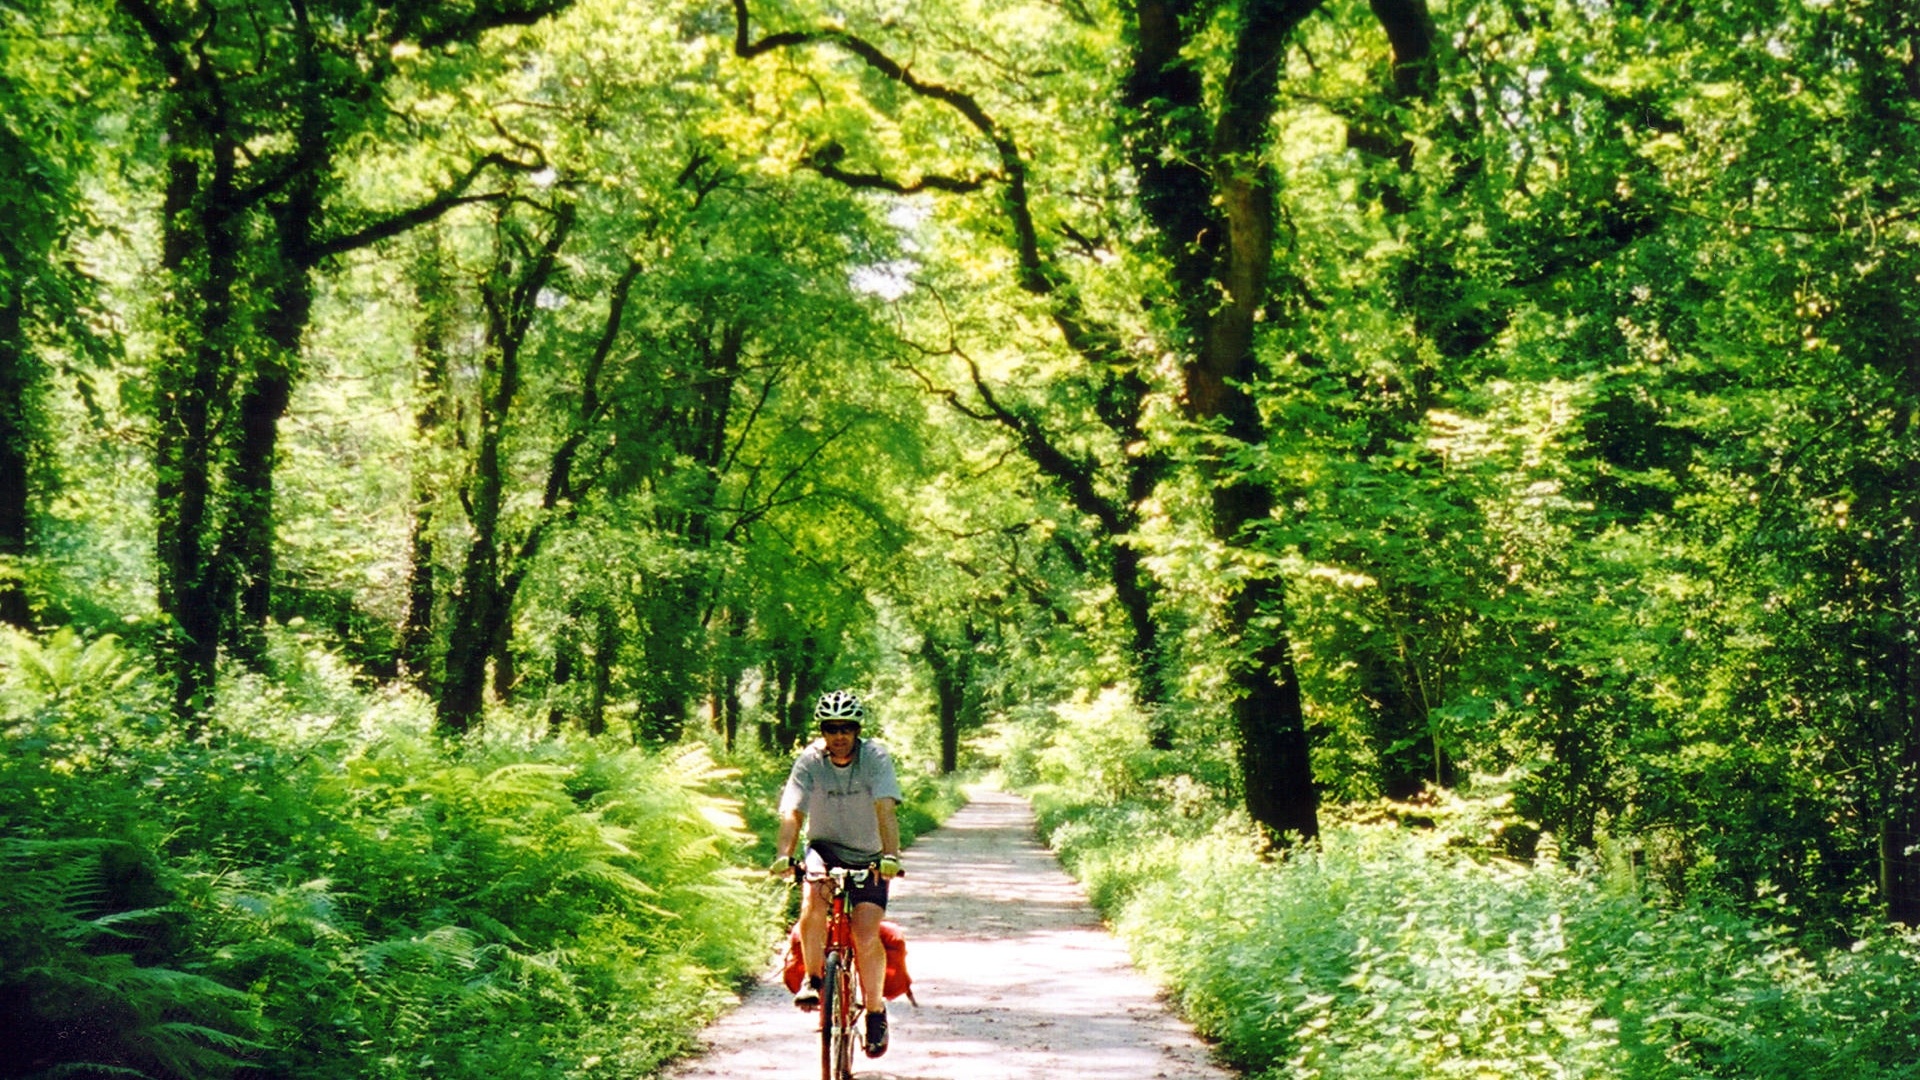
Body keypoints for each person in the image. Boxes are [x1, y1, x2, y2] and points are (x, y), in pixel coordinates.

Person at [771, 689, 904, 1059]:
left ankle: (875, 1012)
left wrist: (890, 856)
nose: (839, 736)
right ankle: (814, 979)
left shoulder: (874, 758)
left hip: (870, 854)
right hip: (824, 849)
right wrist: (784, 855)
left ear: (857, 730)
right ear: (823, 731)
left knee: (865, 934)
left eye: (846, 728)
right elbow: (793, 811)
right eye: (832, 728)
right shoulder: (810, 760)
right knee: (813, 896)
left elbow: (885, 810)